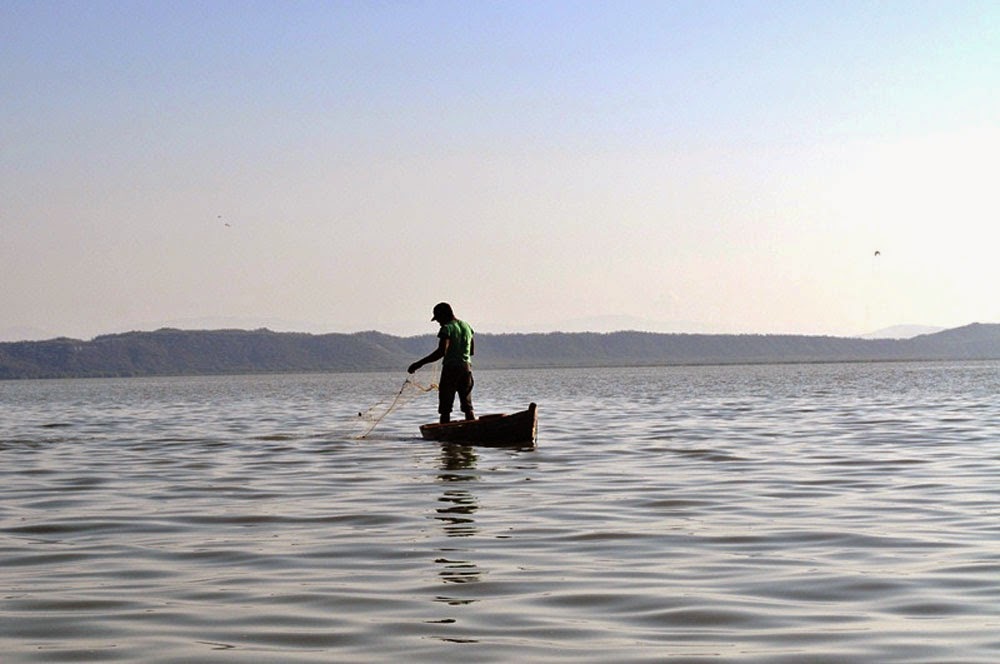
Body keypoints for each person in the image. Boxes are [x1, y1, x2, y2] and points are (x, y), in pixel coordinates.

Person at [408, 302, 475, 423]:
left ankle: (444, 436)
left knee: (445, 406)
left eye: (438, 318)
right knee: (467, 405)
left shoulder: (447, 328)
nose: (438, 322)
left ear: (444, 315)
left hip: (451, 369)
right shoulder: (467, 326)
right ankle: (473, 429)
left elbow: (441, 352)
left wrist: (419, 363)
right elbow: (471, 351)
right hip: (466, 368)